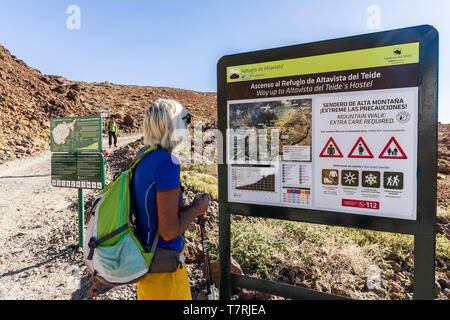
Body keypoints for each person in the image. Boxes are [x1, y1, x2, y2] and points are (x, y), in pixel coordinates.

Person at [133, 98, 209, 300]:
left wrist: (190, 208)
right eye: (186, 119)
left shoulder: (144, 156)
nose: (188, 125)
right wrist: (196, 210)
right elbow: (168, 232)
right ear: (171, 124)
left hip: (148, 266)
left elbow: (156, 215)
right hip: (165, 273)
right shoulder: (167, 163)